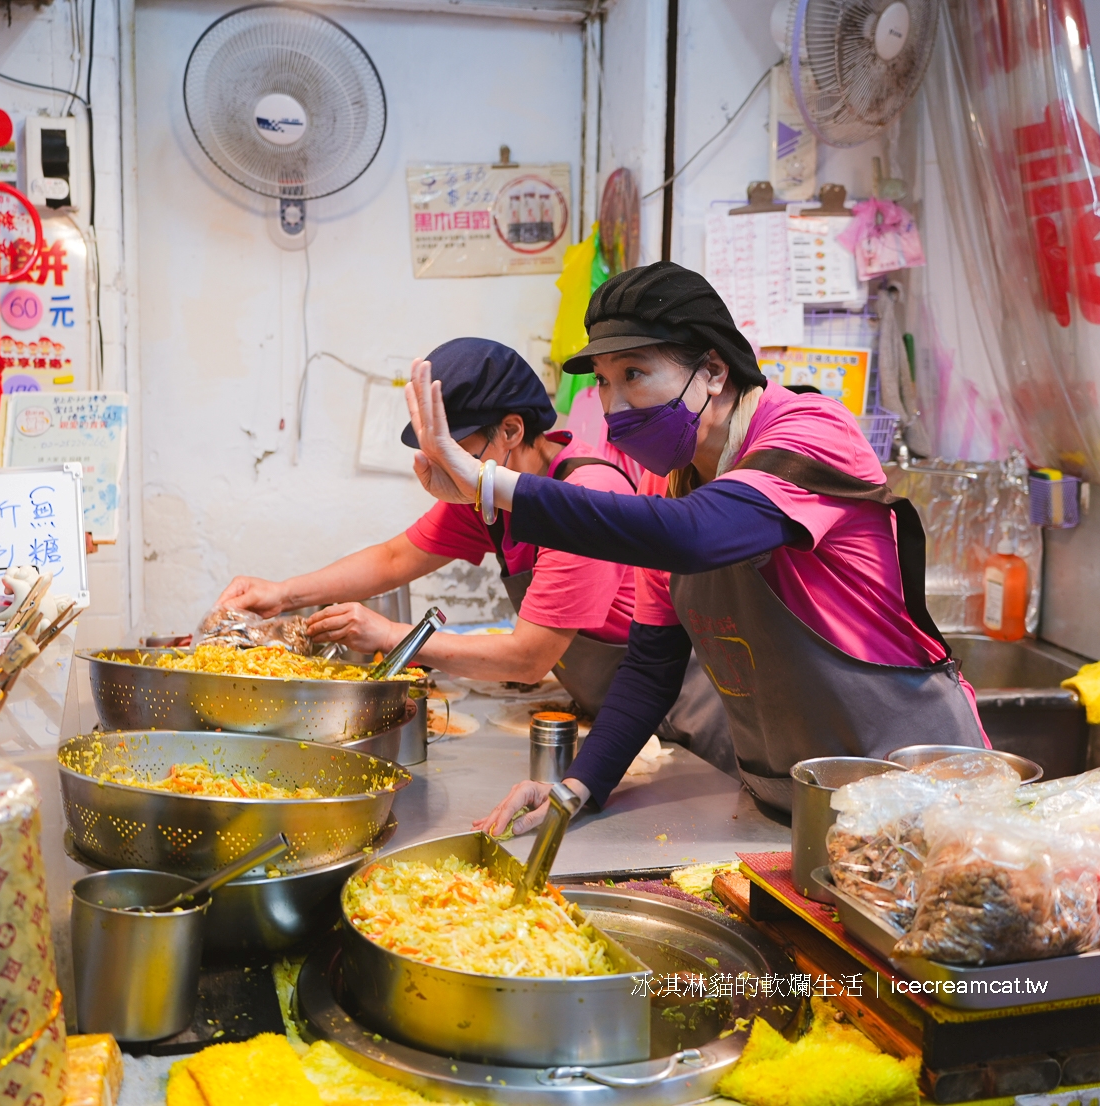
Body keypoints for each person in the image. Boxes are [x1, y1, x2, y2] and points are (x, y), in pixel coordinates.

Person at [398, 263, 986, 832]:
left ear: (712, 370)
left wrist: (490, 482)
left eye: (634, 373)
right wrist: (574, 789)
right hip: (799, 799)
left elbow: (695, 534)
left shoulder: (810, 434)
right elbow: (652, 666)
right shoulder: (668, 482)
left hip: (917, 783)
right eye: (603, 379)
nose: (613, 404)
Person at [218, 338, 724, 746]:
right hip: (609, 711)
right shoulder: (487, 496)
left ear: (510, 429)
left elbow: (529, 658)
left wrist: (389, 635)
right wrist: (280, 594)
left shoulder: (584, 497)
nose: (443, 469)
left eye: (453, 450)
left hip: (679, 719)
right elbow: (395, 557)